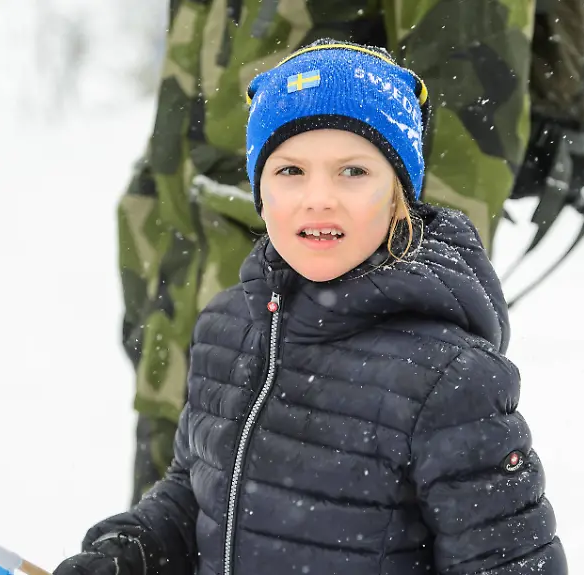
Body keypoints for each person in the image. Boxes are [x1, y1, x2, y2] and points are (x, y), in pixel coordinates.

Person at [58, 40, 565, 575]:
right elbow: (196, 491)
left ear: (399, 194)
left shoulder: (451, 380)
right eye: (290, 171)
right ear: (259, 191)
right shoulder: (225, 329)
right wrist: (133, 550)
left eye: (353, 172)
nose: (319, 197)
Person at [122, 0, 535, 503]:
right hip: (200, 323)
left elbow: (468, 118)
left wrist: (405, 338)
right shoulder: (220, 334)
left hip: (339, 351)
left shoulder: (442, 385)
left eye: (352, 172)